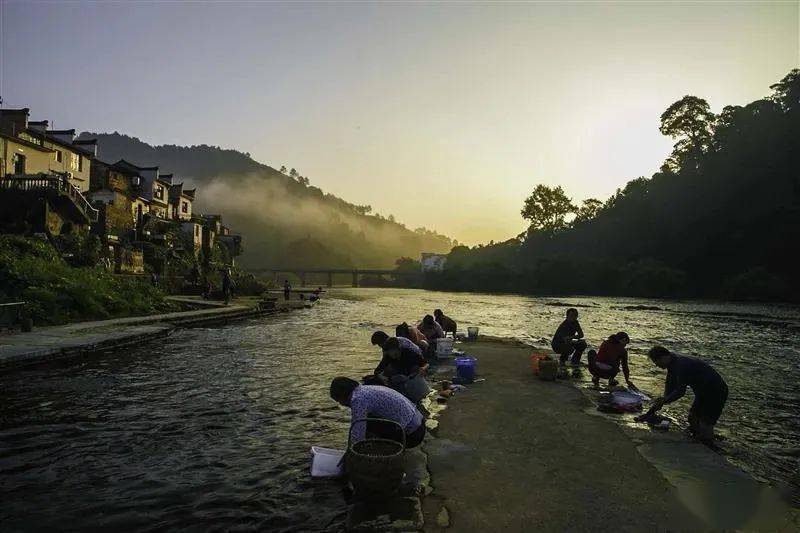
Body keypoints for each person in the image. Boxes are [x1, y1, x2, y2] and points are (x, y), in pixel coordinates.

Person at [638, 346, 728, 444]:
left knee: (706, 423)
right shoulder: (672, 363)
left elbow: (680, 392)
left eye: (657, 362)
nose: (657, 366)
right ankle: (699, 438)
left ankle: (710, 445)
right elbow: (669, 387)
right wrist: (659, 404)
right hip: (702, 392)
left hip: (716, 391)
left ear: (663, 357)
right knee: (692, 417)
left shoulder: (681, 365)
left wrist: (664, 400)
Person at [329, 377, 426, 448]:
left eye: (339, 400)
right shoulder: (364, 389)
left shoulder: (358, 400)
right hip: (419, 423)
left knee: (366, 427)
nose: (341, 404)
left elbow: (358, 434)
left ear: (343, 395)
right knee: (367, 422)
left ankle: (387, 451)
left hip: (413, 435)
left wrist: (350, 453)